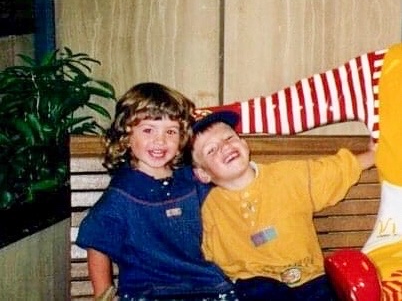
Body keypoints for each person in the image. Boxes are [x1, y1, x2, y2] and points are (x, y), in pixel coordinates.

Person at [190, 110, 376, 301]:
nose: (225, 147)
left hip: (310, 280)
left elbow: (337, 170)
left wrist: (373, 154)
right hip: (253, 287)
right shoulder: (208, 209)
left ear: (244, 143)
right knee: (258, 288)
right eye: (211, 150)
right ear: (203, 174)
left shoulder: (289, 176)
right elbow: (201, 259)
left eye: (229, 138)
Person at [76, 83, 238, 301]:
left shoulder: (192, 179)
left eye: (170, 131)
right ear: (126, 134)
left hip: (209, 288)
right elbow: (97, 246)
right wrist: (103, 295)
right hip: (147, 292)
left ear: (182, 137)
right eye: (148, 130)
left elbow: (228, 208)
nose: (160, 141)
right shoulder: (121, 194)